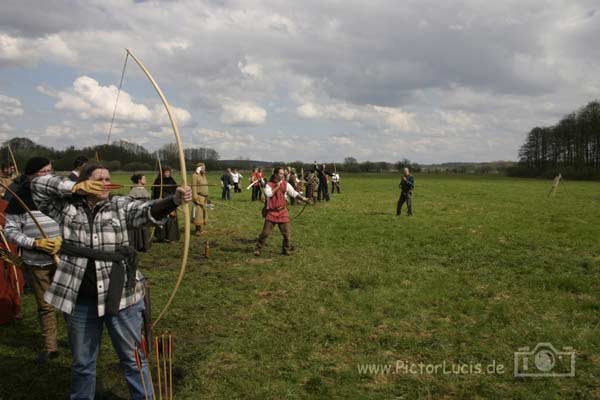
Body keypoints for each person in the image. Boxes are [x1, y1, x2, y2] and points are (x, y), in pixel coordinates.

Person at [31, 163, 192, 400]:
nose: (106, 182)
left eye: (108, 178)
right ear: (85, 183)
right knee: (83, 363)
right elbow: (36, 185)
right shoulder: (64, 207)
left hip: (122, 298)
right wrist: (75, 187)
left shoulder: (119, 205)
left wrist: (174, 201)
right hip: (80, 300)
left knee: (134, 359)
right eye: (100, 179)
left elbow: (147, 210)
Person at [4, 157, 61, 362]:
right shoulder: (19, 198)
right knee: (45, 305)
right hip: (36, 262)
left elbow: (74, 221)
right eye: (43, 172)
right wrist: (35, 244)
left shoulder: (57, 195)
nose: (48, 176)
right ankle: (50, 346)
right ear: (30, 175)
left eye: (50, 171)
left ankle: (79, 343)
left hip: (63, 257)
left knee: (71, 303)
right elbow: (10, 231)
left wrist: (62, 241)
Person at [254, 167, 307, 256]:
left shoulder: (286, 184)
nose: (283, 175)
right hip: (271, 212)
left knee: (287, 234)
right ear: (275, 174)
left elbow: (294, 193)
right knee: (265, 233)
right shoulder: (269, 185)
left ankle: (285, 249)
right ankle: (258, 249)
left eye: (283, 173)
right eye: (280, 173)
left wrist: (304, 199)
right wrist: (278, 186)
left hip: (282, 212)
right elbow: (268, 194)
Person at [152, 167, 180, 242]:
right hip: (161, 203)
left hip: (171, 202)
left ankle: (172, 238)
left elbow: (176, 191)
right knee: (161, 219)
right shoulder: (158, 181)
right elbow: (155, 193)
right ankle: (160, 237)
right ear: (162, 173)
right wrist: (159, 198)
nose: (167, 174)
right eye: (165, 172)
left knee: (171, 220)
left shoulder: (172, 180)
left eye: (168, 172)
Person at [127, 174, 151, 252]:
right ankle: (138, 246)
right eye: (144, 178)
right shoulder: (134, 190)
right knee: (138, 229)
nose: (146, 180)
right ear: (139, 180)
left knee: (145, 228)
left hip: (145, 211)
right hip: (138, 212)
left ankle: (145, 246)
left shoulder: (142, 188)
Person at [191, 162, 209, 236]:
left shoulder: (203, 176)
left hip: (204, 198)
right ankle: (197, 231)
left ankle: (200, 229)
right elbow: (193, 187)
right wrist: (195, 198)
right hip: (199, 197)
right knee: (198, 214)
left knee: (203, 214)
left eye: (204, 167)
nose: (204, 169)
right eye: (202, 168)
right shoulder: (195, 176)